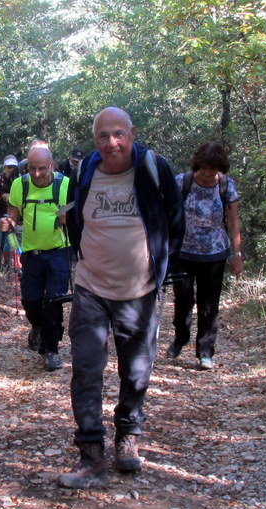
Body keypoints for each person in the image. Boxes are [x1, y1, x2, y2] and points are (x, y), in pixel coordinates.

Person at [60, 107, 184, 488]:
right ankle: (90, 454)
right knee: (86, 370)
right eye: (102, 136)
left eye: (118, 134)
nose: (111, 143)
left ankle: (128, 436)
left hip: (140, 290)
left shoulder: (153, 168)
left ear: (131, 133)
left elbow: (174, 221)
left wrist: (160, 271)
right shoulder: (84, 173)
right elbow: (76, 222)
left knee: (136, 371)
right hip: (90, 288)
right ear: (93, 139)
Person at [166, 142, 243, 369]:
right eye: (206, 168)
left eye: (214, 169)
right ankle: (181, 338)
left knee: (209, 304)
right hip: (184, 253)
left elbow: (233, 221)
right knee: (183, 300)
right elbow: (169, 214)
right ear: (198, 164)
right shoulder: (183, 182)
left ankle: (206, 351)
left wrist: (236, 255)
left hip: (215, 254)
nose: (209, 173)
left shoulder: (226, 186)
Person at [0, 145, 70, 371]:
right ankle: (37, 326)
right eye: (31, 169)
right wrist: (7, 223)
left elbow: (77, 218)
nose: (36, 174)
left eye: (41, 169)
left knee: (54, 300)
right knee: (31, 300)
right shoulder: (21, 185)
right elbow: (13, 215)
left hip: (59, 251)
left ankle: (51, 350)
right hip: (31, 253)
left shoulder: (65, 185)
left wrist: (70, 219)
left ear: (51, 166)